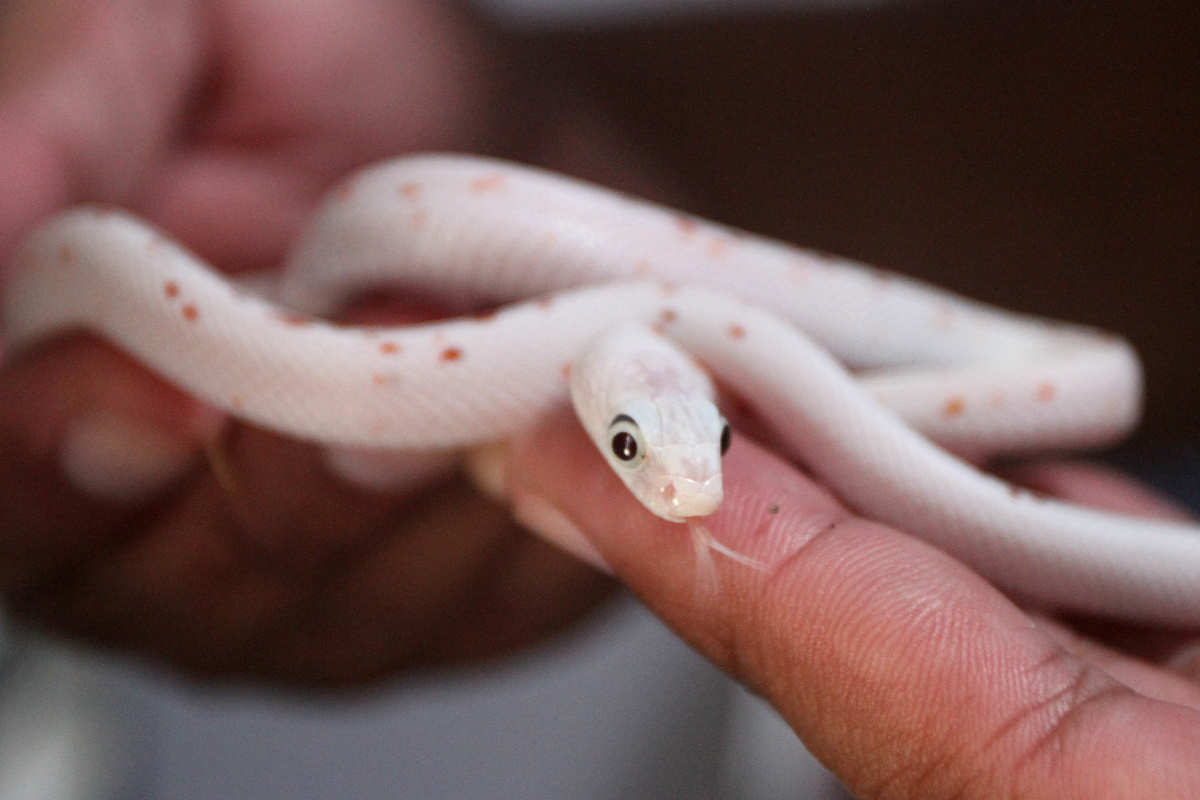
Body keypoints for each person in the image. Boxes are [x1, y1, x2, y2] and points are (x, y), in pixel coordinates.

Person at [1, 0, 1199, 797]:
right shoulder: (605, 336)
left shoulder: (675, 365)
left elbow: (1100, 378)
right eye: (631, 443)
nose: (686, 484)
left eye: (707, 438)